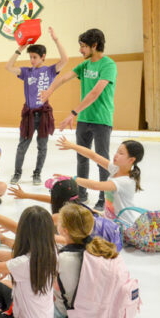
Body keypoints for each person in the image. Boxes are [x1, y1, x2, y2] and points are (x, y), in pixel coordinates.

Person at [40, 28, 117, 211]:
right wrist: (50, 91)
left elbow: (95, 92)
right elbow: (65, 77)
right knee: (82, 158)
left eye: (83, 46)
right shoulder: (85, 65)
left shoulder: (108, 65)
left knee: (101, 160)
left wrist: (73, 113)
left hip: (102, 120)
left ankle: (102, 198)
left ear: (94, 45)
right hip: (84, 119)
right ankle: (81, 195)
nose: (81, 50)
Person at [6, 26, 68, 185]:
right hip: (29, 115)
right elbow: (8, 67)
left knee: (42, 146)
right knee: (22, 146)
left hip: (44, 114)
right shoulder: (26, 71)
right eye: (30, 57)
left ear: (43, 57)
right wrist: (20, 48)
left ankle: (37, 174)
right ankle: (17, 173)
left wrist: (56, 39)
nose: (32, 60)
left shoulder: (50, 70)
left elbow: (65, 60)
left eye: (34, 57)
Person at [55, 136, 144, 227]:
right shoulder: (116, 169)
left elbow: (96, 186)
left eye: (121, 153)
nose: (116, 155)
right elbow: (93, 156)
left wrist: (71, 179)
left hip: (122, 226)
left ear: (131, 160)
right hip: (110, 221)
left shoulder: (125, 181)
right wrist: (72, 146)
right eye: (117, 151)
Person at [54, 203, 118, 318]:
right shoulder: (99, 248)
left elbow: (53, 287)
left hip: (63, 311)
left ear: (64, 231)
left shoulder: (63, 258)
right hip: (94, 306)